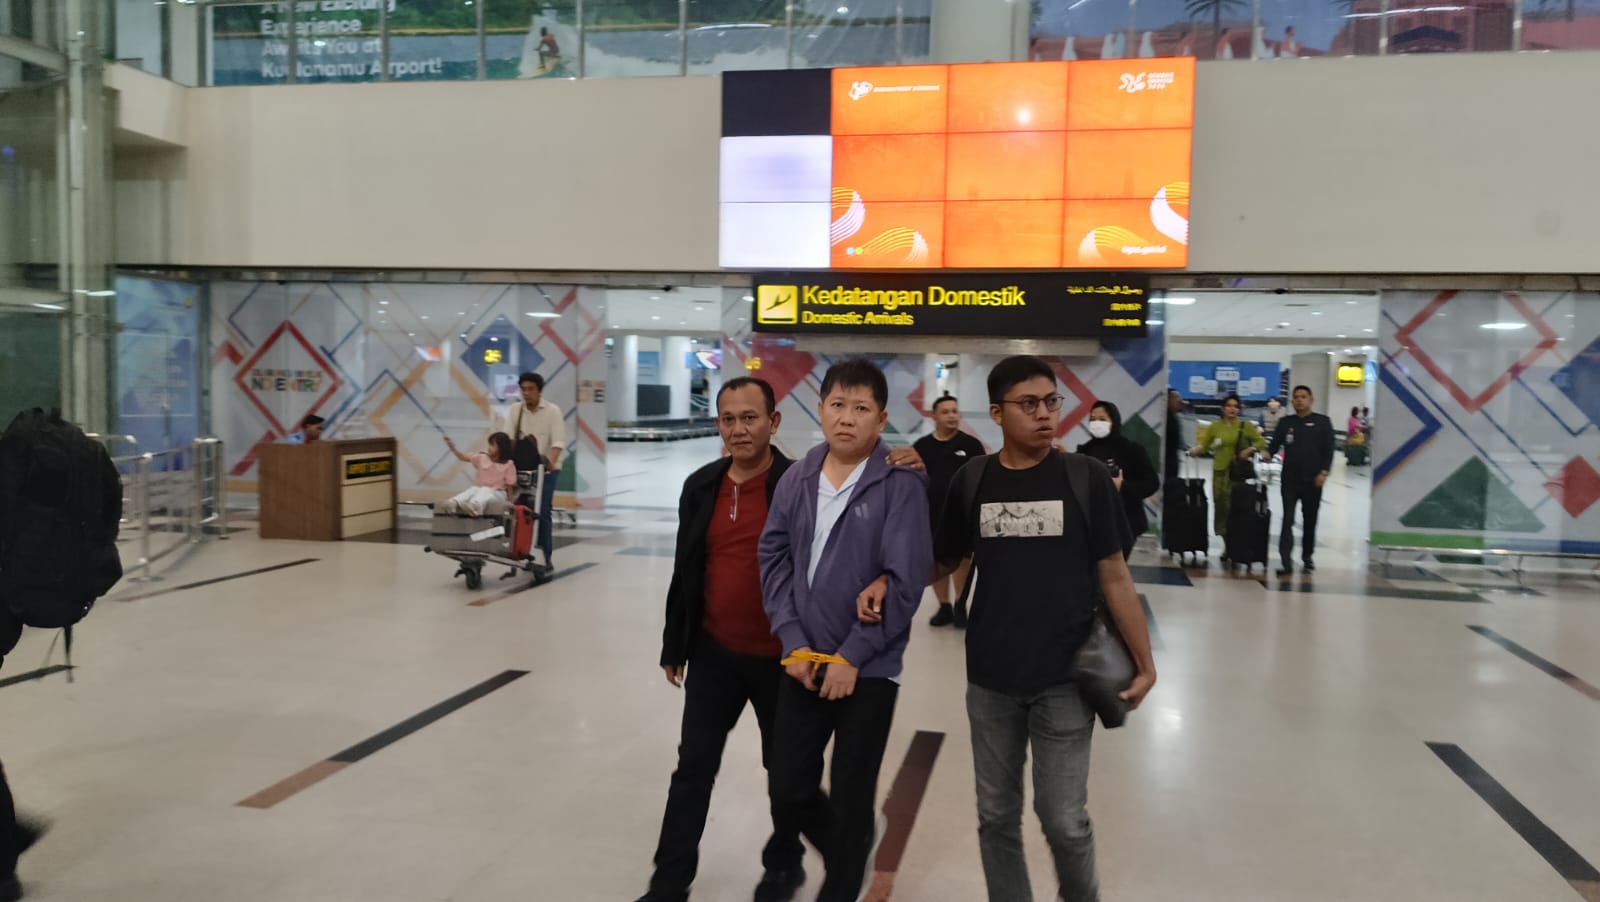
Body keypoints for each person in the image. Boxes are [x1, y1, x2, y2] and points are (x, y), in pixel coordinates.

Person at [926, 355, 1156, 902]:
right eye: (1028, 404)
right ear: (997, 414)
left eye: (1052, 401)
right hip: (991, 676)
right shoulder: (972, 479)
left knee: (1063, 819)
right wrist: (879, 574)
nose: (1045, 414)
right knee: (996, 816)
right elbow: (942, 560)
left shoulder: (1086, 477)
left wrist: (1146, 663)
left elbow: (1115, 574)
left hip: (1066, 676)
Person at [637, 377, 827, 902]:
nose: (739, 429)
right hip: (714, 652)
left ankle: (785, 862)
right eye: (728, 419)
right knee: (693, 769)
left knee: (786, 773)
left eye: (750, 418)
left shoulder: (799, 485)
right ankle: (668, 882)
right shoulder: (701, 486)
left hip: (784, 659)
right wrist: (675, 643)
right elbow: (687, 568)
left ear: (773, 422)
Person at [759, 359, 932, 902]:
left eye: (861, 409)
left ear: (881, 419)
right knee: (788, 786)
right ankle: (851, 851)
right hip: (804, 660)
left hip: (870, 668)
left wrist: (854, 654)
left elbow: (906, 579)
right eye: (837, 405)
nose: (847, 418)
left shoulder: (900, 483)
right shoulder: (797, 477)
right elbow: (774, 558)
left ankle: (842, 881)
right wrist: (792, 641)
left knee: (853, 791)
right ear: (821, 409)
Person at [913, 395, 985, 628]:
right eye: (945, 412)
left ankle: (960, 605)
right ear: (933, 416)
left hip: (962, 514)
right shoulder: (922, 446)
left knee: (962, 560)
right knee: (936, 559)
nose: (952, 416)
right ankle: (944, 607)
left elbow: (980, 479)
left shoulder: (971, 445)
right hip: (931, 514)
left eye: (954, 411)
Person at [496, 372, 565, 570]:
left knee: (542, 510)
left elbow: (558, 442)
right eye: (523, 389)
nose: (526, 393)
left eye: (530, 389)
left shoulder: (552, 411)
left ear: (540, 391)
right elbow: (507, 439)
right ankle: (518, 549)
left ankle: (545, 555)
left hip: (547, 470)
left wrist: (549, 464)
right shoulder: (516, 410)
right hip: (521, 469)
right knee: (517, 509)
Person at [1076, 400, 1160, 557]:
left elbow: (1151, 483)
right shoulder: (1084, 451)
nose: (1096, 423)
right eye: (1093, 419)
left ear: (1114, 421)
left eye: (1102, 419)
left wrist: (1122, 486)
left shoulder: (1132, 449)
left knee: (1114, 566)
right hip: (1092, 521)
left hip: (1124, 522)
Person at [1268, 385, 1335, 575]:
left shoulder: (1322, 422)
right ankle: (1285, 560)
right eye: (1296, 397)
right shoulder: (1285, 423)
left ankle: (1307, 556)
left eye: (1303, 397)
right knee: (1287, 519)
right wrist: (1263, 452)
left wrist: (1324, 472)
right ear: (1292, 401)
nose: (1299, 400)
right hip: (1290, 480)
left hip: (1313, 481)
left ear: (1311, 400)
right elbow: (1273, 446)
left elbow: (1329, 450)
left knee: (1310, 520)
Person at [1187, 393, 1266, 541]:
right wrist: (1195, 450)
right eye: (1229, 406)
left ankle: (1234, 541)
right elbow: (1205, 446)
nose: (1232, 409)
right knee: (1220, 506)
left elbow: (1261, 442)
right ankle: (1225, 540)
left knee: (1234, 506)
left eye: (1235, 406)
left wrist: (1249, 449)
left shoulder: (1245, 426)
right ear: (1223, 409)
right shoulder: (1215, 427)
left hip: (1236, 474)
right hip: (1219, 473)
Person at [437, 432, 517, 516]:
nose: (489, 448)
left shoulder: (508, 464)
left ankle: (475, 507)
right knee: (473, 489)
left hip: (498, 494)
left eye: (492, 445)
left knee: (485, 489)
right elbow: (462, 457)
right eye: (489, 445)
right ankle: (454, 502)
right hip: (480, 491)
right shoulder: (481, 458)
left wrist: (510, 503)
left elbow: (509, 487)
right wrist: (453, 448)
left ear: (501, 447)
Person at [1163, 389, 1185, 482]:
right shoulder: (1163, 419)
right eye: (1175, 398)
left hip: (1173, 460)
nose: (1179, 400)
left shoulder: (1175, 417)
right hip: (1165, 461)